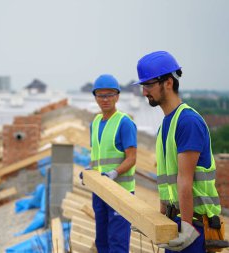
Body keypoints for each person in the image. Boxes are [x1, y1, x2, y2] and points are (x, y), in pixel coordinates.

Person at [133, 51, 222, 252]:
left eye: (148, 85)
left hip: (193, 228)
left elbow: (184, 181)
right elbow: (168, 182)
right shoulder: (165, 125)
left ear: (168, 83)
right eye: (143, 86)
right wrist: (157, 220)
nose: (144, 92)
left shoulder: (187, 122)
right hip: (176, 224)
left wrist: (188, 228)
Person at [81, 74, 137, 253]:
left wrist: (115, 173)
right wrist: (90, 171)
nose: (105, 99)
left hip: (120, 192)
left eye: (109, 95)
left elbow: (132, 157)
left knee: (117, 243)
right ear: (95, 97)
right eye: (100, 95)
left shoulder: (124, 123)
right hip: (100, 191)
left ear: (117, 96)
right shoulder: (95, 123)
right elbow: (97, 156)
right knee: (102, 241)